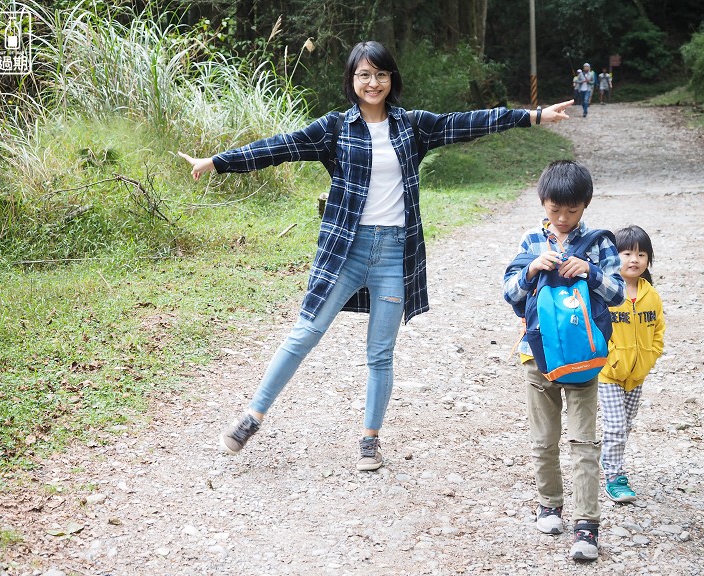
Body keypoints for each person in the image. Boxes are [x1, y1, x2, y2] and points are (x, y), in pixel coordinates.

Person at [179, 41, 575, 472]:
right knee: (303, 335)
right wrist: (217, 162)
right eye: (364, 75)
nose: (373, 83)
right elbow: (279, 147)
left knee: (380, 353)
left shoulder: (412, 126)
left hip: (393, 254)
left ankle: (370, 440)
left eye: (381, 75)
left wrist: (533, 115)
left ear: (392, 80)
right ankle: (251, 417)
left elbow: (470, 122)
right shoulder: (335, 128)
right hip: (345, 251)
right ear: (352, 81)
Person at [503, 160, 625, 561]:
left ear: (585, 206)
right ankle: (549, 504)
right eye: (555, 209)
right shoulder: (530, 241)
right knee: (543, 440)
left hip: (584, 359)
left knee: (584, 441)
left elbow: (617, 294)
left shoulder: (599, 244)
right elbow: (510, 294)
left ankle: (587, 526)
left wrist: (589, 271)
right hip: (536, 357)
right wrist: (531, 271)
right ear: (543, 202)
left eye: (571, 211)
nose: (563, 218)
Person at [599, 225, 665, 502]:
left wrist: (650, 357)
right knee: (615, 425)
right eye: (626, 253)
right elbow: (598, 328)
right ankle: (614, 476)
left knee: (625, 424)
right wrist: (610, 359)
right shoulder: (606, 292)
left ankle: (607, 460)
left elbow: (658, 331)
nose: (634, 259)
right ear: (615, 257)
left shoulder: (652, 296)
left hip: (637, 375)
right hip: (609, 373)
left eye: (641, 254)